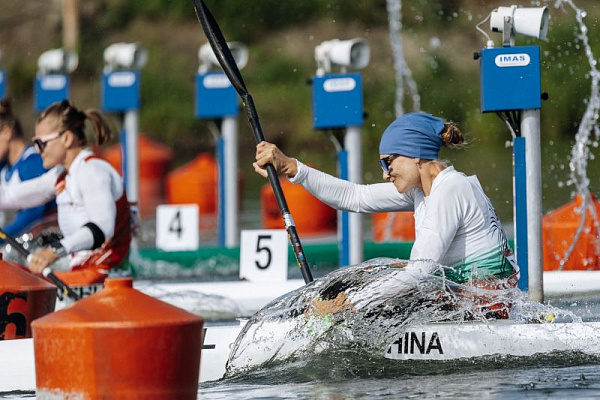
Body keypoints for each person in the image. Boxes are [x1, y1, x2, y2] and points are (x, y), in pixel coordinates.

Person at [254, 112, 518, 318]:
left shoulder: (449, 190)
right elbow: (354, 197)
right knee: (367, 277)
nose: (384, 173)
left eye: (388, 162)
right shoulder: (424, 190)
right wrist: (291, 167)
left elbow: (419, 272)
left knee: (367, 288)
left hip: (485, 309)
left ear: (415, 155)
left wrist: (348, 305)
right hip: (469, 299)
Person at [0, 100, 131, 286]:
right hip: (82, 276)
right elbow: (10, 196)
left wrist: (54, 251)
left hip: (111, 281)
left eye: (41, 143)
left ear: (67, 139)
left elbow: (103, 228)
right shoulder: (61, 176)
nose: (38, 150)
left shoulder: (93, 171)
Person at [0, 98, 56, 238]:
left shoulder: (31, 163)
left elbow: (34, 213)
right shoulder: (5, 168)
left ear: (7, 132)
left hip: (47, 246)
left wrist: (3, 237)